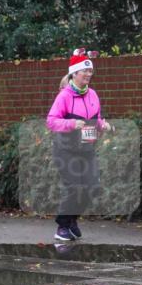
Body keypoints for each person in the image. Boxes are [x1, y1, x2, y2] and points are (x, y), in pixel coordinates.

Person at [46, 49, 113, 241]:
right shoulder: (64, 96)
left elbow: (96, 118)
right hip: (66, 150)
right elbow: (51, 121)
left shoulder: (93, 95)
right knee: (74, 186)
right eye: (85, 72)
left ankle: (72, 219)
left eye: (90, 72)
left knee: (93, 187)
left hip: (87, 149)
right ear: (74, 74)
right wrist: (71, 123)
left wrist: (103, 125)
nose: (88, 75)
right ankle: (62, 226)